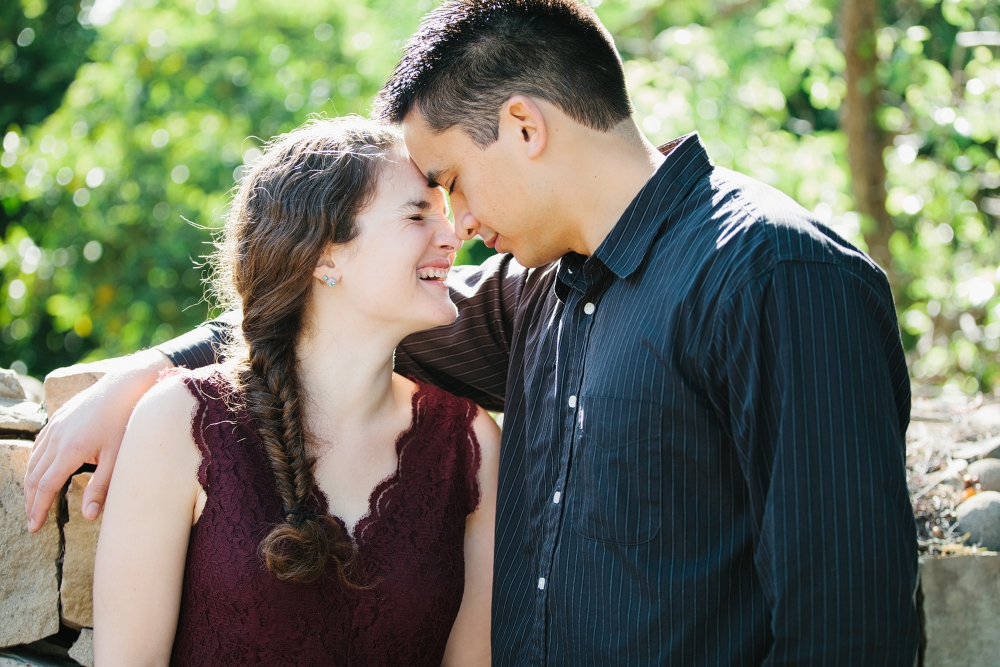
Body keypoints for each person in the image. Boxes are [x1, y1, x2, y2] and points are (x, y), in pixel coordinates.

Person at [27, 0, 920, 664]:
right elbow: (334, 319)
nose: (455, 222)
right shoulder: (537, 293)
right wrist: (145, 371)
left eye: (449, 178)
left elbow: (851, 630)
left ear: (524, 126)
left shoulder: (776, 275)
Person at [90, 118, 500, 666]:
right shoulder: (180, 423)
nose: (453, 236)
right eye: (417, 215)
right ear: (324, 256)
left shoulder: (469, 445)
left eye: (445, 216)